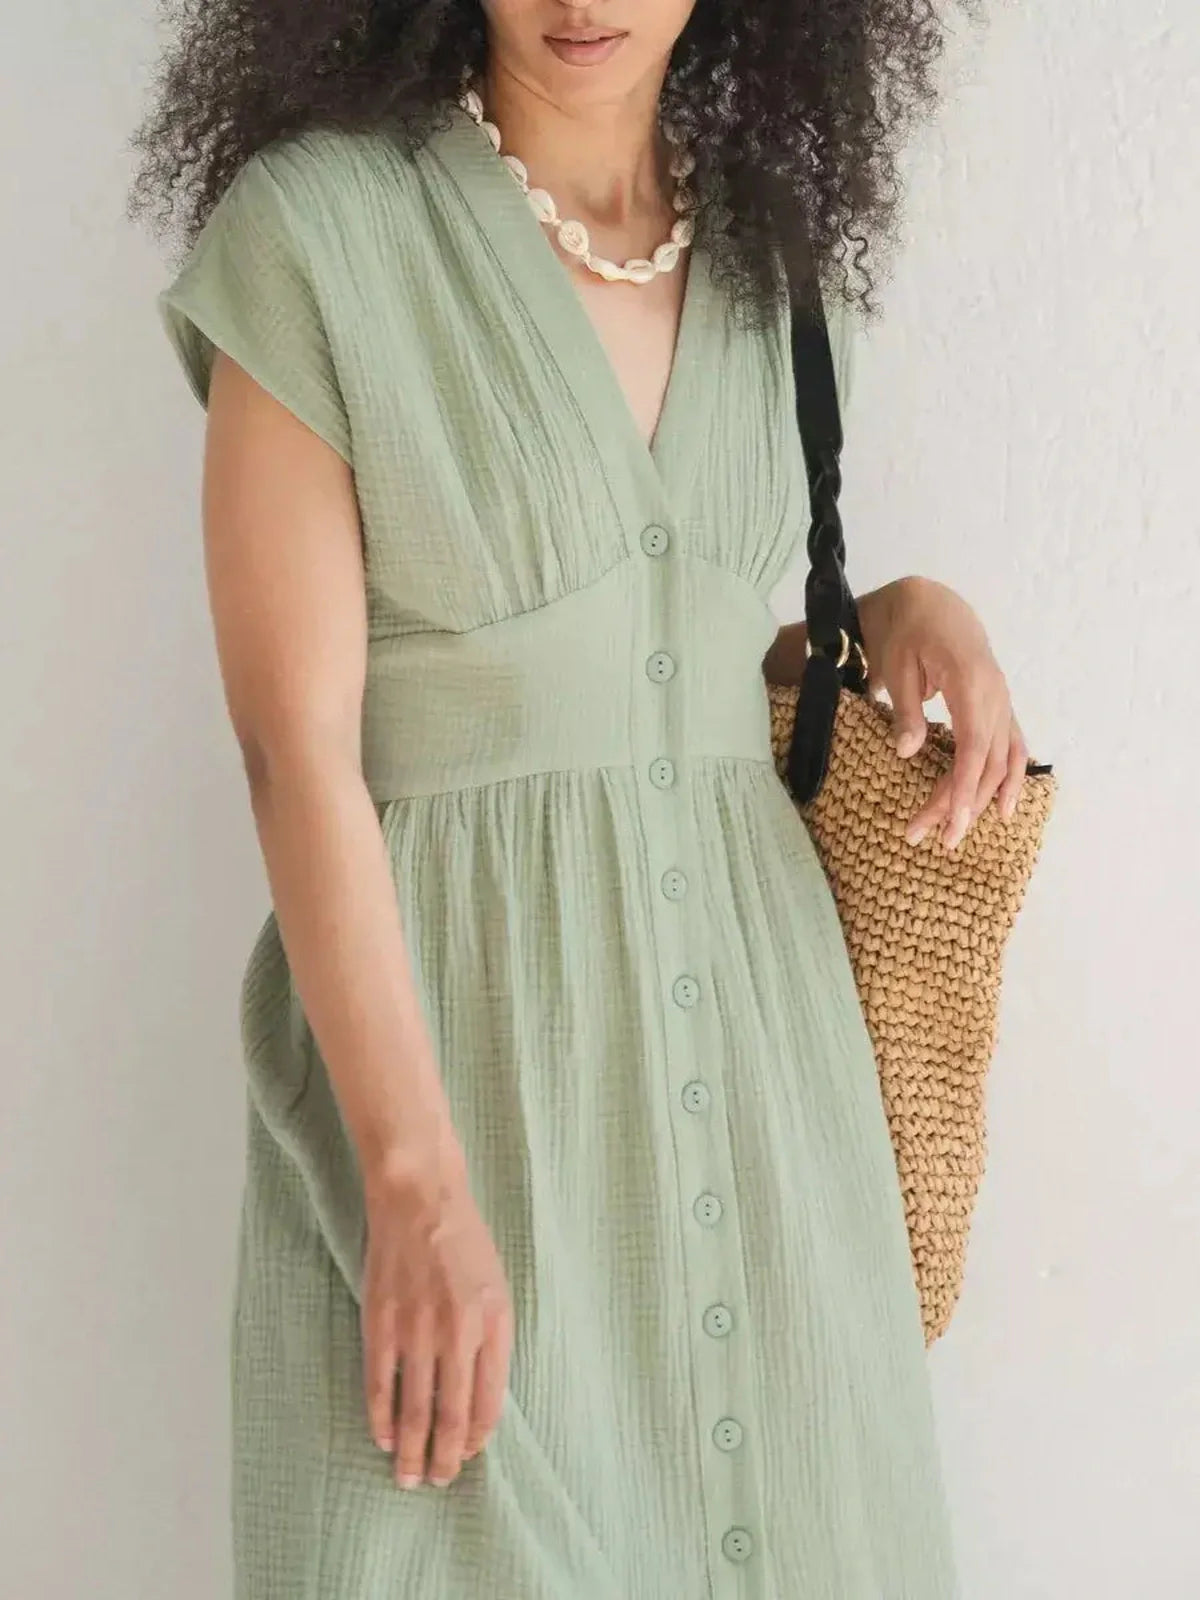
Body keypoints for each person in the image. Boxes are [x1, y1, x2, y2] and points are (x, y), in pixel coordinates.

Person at [133, 2, 1028, 1595]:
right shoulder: (321, 233)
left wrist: (876, 608)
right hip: (460, 1089)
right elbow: (295, 746)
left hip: (765, 1096)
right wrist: (410, 1184)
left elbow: (649, 645)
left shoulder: (768, 256)